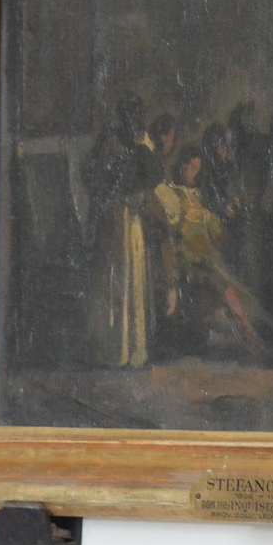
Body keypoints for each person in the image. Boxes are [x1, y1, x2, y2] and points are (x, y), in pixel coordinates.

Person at [152, 153, 272, 361]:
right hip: (187, 262)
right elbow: (173, 233)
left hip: (207, 259)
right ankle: (255, 343)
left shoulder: (197, 196)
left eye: (197, 169)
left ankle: (254, 341)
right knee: (223, 287)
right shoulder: (171, 195)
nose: (193, 172)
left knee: (232, 292)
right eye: (191, 166)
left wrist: (229, 219)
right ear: (181, 165)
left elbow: (219, 235)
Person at [82, 93, 160, 368]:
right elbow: (90, 172)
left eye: (137, 116)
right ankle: (112, 351)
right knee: (113, 280)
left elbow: (153, 175)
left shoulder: (142, 142)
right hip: (112, 218)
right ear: (122, 116)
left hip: (133, 220)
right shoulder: (109, 138)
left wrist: (142, 149)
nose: (133, 121)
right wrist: (109, 186)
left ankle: (133, 350)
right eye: (129, 115)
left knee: (132, 279)